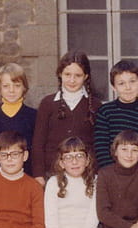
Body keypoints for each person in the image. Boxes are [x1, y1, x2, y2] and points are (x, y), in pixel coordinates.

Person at [31, 50, 101, 185]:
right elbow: (38, 142)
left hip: (86, 175)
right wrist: (38, 174)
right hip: (52, 174)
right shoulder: (47, 103)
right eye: (67, 74)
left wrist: (96, 173)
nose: (72, 80)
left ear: (86, 76)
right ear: (60, 74)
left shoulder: (95, 105)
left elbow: (98, 144)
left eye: (78, 75)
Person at [93, 60, 138, 169]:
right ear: (114, 87)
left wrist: (137, 173)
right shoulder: (105, 112)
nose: (128, 87)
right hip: (110, 173)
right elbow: (101, 148)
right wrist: (113, 173)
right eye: (121, 83)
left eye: (132, 81)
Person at [0, 62, 37, 177]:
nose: (11, 90)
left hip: (25, 176)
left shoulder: (33, 115)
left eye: (17, 85)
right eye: (6, 86)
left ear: (24, 87)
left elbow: (36, 151)